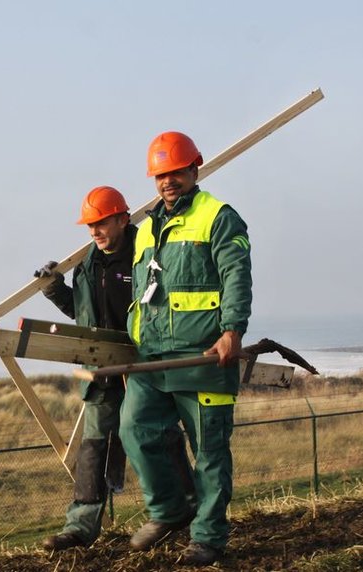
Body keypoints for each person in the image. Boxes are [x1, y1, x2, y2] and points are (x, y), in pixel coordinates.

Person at [35, 186, 195, 551]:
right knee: (93, 448)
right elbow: (82, 312)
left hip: (143, 366)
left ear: (123, 219)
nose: (94, 231)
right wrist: (53, 289)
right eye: (90, 225)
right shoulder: (87, 264)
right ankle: (80, 528)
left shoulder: (148, 253)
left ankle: (188, 504)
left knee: (159, 435)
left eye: (101, 222)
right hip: (102, 371)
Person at [119, 131, 252, 566]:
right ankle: (169, 511)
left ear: (194, 168)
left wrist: (232, 329)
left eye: (175, 172)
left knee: (210, 452)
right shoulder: (145, 229)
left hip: (204, 356)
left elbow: (236, 273)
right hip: (152, 357)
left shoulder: (218, 216)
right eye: (160, 175)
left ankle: (209, 536)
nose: (167, 181)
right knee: (135, 431)